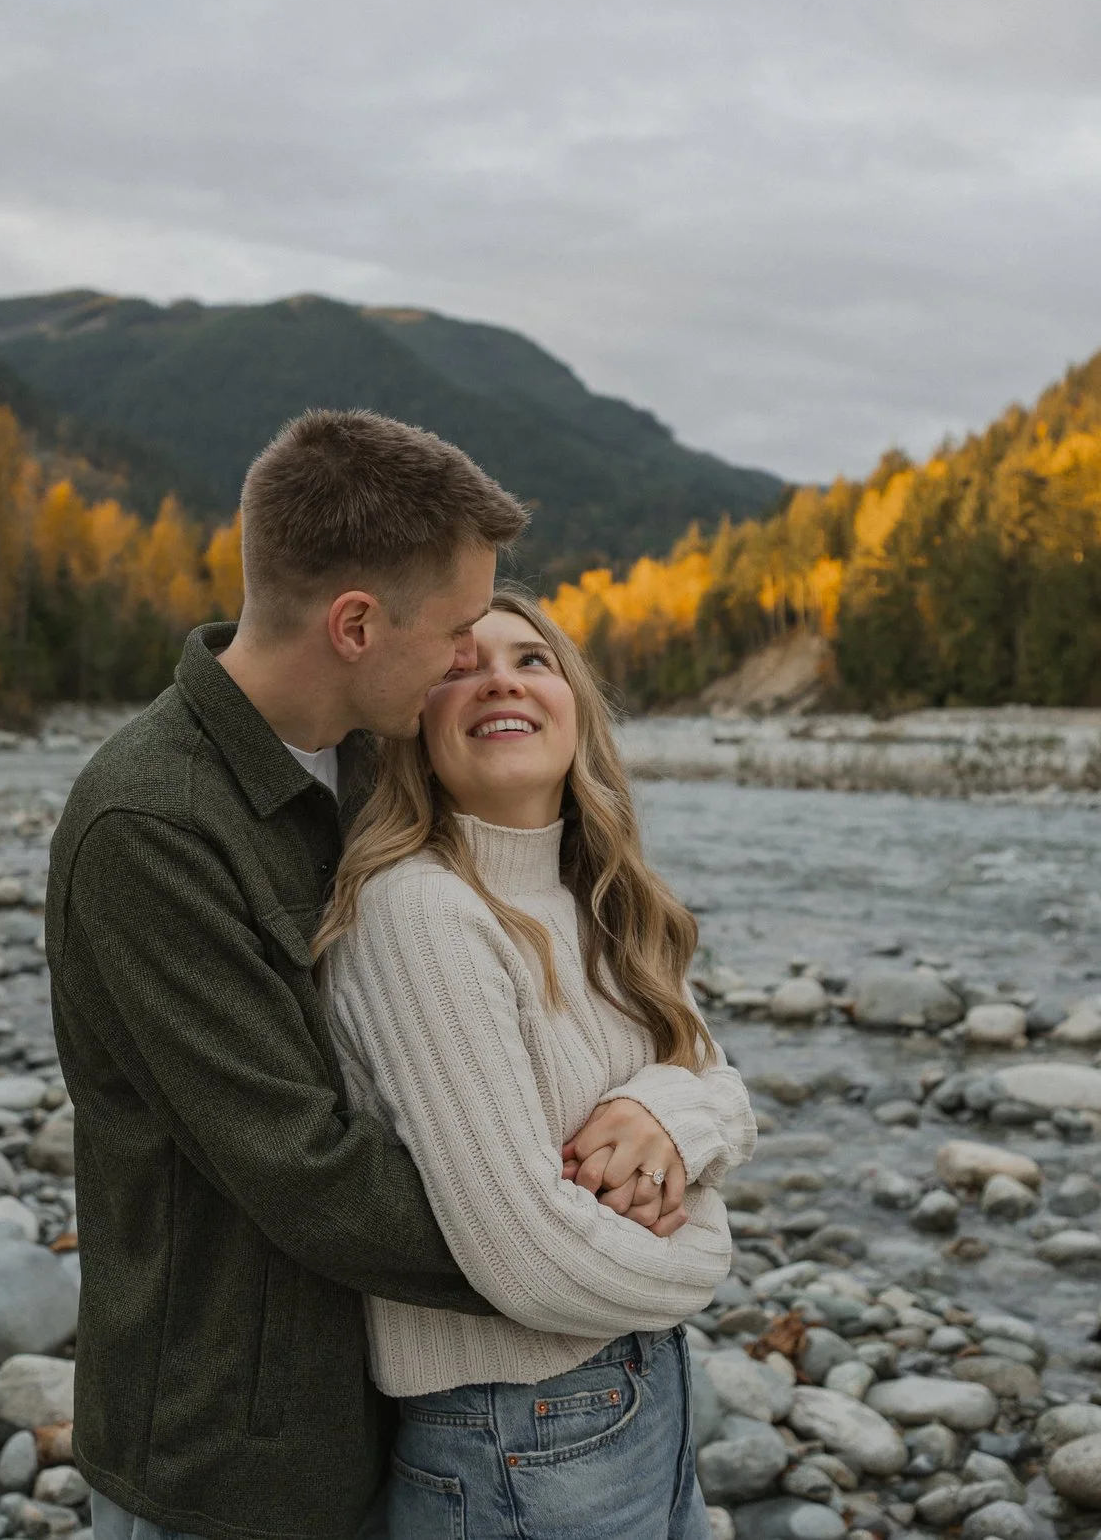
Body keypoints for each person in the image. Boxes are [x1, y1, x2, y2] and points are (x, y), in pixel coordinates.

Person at [44, 411, 696, 1540]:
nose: (467, 660)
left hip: (387, 1410)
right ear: (354, 624)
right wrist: (597, 1241)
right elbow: (309, 1168)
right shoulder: (151, 823)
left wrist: (669, 1112)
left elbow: (621, 1015)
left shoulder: (377, 763)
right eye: (452, 630)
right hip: (230, 1456)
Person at [317, 588, 756, 1540]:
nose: (500, 680)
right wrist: (706, 1248)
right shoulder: (419, 913)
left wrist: (669, 1116)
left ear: (575, 706)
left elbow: (722, 1081)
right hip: (519, 1435)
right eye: (459, 665)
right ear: (411, 723)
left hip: (638, 1394)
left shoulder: (603, 900)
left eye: (532, 659)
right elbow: (528, 1257)